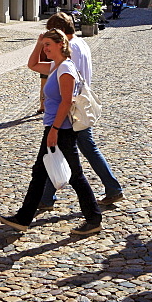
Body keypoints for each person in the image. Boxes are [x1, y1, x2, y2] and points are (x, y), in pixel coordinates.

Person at [0, 29, 103, 236]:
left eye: (48, 44)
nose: (45, 48)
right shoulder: (55, 66)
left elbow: (67, 101)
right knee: (39, 173)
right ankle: (23, 217)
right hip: (54, 127)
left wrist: (54, 130)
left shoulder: (65, 68)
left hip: (61, 129)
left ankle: (93, 219)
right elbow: (32, 65)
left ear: (59, 45)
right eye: (44, 44)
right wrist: (38, 43)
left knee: (75, 175)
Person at [39, 13, 122, 211]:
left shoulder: (70, 49)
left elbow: (66, 78)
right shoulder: (81, 43)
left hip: (72, 107)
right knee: (68, 149)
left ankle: (111, 189)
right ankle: (47, 197)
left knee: (68, 149)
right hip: (77, 104)